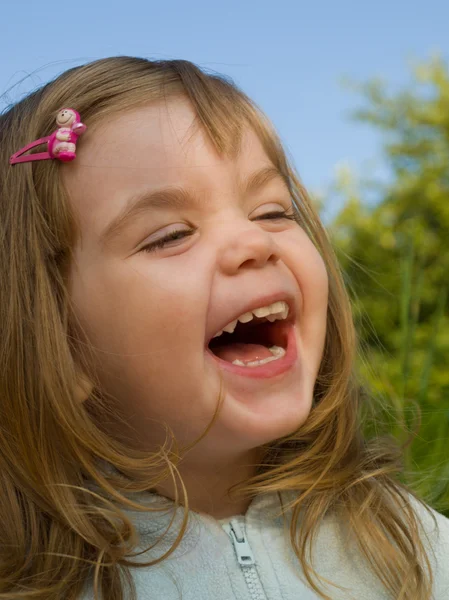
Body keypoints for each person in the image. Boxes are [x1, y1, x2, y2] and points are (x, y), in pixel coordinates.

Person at [0, 56, 447, 600]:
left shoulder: (414, 547)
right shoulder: (37, 580)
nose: (254, 244)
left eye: (273, 212)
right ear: (61, 346)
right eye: (170, 235)